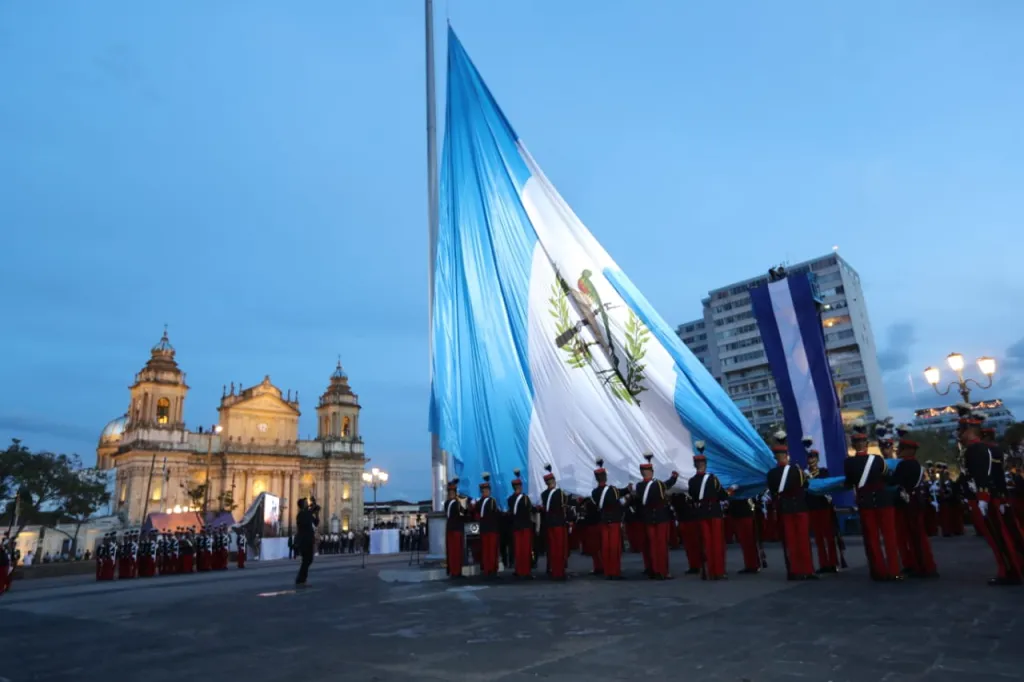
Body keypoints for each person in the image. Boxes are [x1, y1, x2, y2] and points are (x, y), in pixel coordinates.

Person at [957, 407, 1022, 585]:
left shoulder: (975, 449)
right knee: (1005, 533)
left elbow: (982, 475)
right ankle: (1012, 567)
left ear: (970, 431)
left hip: (984, 499)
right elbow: (997, 475)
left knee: (997, 537)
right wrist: (1001, 496)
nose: (959, 434)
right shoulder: (988, 449)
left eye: (961, 430)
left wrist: (983, 499)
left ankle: (1008, 571)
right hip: (994, 497)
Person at [844, 421, 902, 581]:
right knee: (890, 537)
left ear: (854, 445)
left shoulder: (848, 463)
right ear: (867, 444)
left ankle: (879, 571)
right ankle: (894, 570)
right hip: (884, 502)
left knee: (872, 538)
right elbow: (888, 478)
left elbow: (849, 482)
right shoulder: (877, 460)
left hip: (866, 503)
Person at [766, 431, 816, 581]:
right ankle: (807, 570)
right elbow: (805, 485)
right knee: (803, 540)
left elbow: (774, 491)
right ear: (786, 454)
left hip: (785, 509)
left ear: (776, 456)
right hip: (799, 507)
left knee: (790, 541)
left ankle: (794, 570)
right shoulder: (797, 470)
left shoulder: (772, 474)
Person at [892, 429, 938, 578]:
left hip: (907, 503)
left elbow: (894, 482)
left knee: (913, 536)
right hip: (915, 501)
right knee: (917, 535)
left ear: (908, 451)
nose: (898, 451)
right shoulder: (917, 465)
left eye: (901, 449)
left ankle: (921, 565)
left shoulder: (904, 465)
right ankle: (923, 564)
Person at [635, 453, 678, 580]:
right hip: (660, 517)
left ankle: (654, 570)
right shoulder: (658, 484)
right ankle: (663, 571)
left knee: (652, 545)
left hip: (648, 518)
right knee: (661, 546)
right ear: (651, 472)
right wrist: (674, 477)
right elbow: (668, 484)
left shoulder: (639, 486)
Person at [688, 441, 727, 580]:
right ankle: (719, 571)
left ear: (695, 465)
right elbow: (722, 495)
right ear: (705, 464)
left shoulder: (691, 481)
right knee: (717, 543)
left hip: (701, 513)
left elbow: (692, 496)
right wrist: (732, 490)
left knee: (706, 542)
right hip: (714, 512)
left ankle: (709, 570)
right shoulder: (713, 479)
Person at [803, 438, 839, 574]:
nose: (811, 461)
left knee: (829, 536)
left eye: (813, 458)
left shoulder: (823, 472)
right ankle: (823, 563)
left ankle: (833, 562)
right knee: (818, 537)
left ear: (817, 459)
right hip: (813, 507)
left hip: (824, 506)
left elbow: (827, 486)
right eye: (809, 458)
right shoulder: (805, 475)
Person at [591, 458, 626, 580]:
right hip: (614, 521)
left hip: (604, 521)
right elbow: (622, 493)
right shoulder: (612, 490)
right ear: (605, 477)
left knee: (605, 547)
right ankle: (615, 572)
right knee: (615, 548)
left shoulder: (594, 492)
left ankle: (608, 571)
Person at [538, 465, 569, 580]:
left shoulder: (544, 494)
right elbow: (563, 507)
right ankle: (559, 572)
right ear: (554, 481)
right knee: (559, 548)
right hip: (559, 524)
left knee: (552, 549)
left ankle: (553, 570)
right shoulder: (560, 493)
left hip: (549, 524)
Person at [506, 468, 534, 579]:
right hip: (525, 526)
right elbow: (530, 510)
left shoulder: (510, 499)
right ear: (520, 487)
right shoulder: (526, 498)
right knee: (525, 549)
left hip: (516, 527)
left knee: (518, 549)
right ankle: (525, 571)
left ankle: (519, 570)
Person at [474, 473, 501, 578]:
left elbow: (495, 514)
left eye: (487, 490)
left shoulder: (492, 501)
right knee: (485, 550)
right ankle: (487, 569)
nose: (485, 492)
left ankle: (493, 569)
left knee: (492, 549)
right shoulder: (479, 502)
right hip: (484, 528)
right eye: (483, 491)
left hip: (492, 528)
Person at [444, 478, 466, 579]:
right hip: (457, 529)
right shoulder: (456, 503)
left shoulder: (446, 503)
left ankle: (453, 570)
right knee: (456, 551)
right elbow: (463, 514)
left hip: (449, 528)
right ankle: (457, 571)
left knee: (451, 551)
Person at [294, 497, 319, 587]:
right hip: (304, 540)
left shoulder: (307, 514)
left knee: (309, 560)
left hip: (309, 540)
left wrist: (317, 513)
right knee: (306, 560)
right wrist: (312, 509)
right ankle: (301, 580)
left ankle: (301, 579)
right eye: (305, 503)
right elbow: (306, 517)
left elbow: (316, 522)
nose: (307, 503)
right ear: (302, 505)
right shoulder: (301, 514)